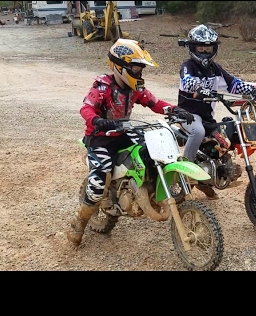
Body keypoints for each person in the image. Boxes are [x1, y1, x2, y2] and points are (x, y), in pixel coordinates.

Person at [67, 38, 194, 246]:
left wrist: (174, 110)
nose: (139, 73)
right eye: (136, 68)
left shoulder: (135, 89)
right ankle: (79, 223)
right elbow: (86, 108)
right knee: (100, 179)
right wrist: (98, 121)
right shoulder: (103, 86)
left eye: (141, 69)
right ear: (120, 67)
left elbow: (154, 103)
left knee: (150, 151)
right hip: (101, 137)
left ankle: (143, 188)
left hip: (123, 132)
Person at [177, 24, 256, 199]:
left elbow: (234, 84)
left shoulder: (215, 69)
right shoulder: (188, 66)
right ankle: (185, 172)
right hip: (186, 114)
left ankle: (208, 178)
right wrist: (201, 87)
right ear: (192, 47)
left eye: (208, 48)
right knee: (198, 132)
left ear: (214, 48)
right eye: (200, 48)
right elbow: (188, 82)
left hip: (206, 117)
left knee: (224, 142)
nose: (204, 52)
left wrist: (254, 90)